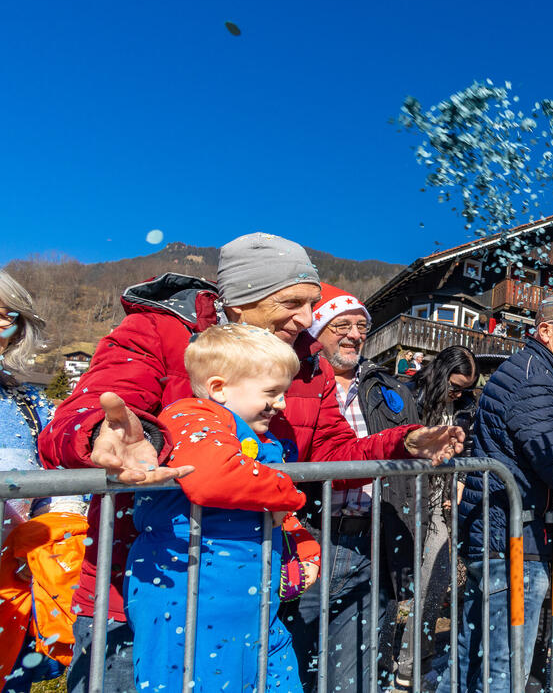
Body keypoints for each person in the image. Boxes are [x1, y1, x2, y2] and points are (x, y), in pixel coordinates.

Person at [38, 233, 462, 693]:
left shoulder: (306, 365)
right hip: (143, 588)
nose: (307, 318)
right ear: (241, 300)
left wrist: (405, 441)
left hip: (251, 590)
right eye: (293, 303)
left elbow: (331, 453)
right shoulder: (159, 333)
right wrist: (105, 432)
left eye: (312, 303)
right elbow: (77, 418)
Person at [438, 293, 553, 693]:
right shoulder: (534, 382)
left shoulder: (532, 374)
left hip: (500, 535)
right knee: (502, 668)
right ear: (544, 331)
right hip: (512, 542)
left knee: (470, 656)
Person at [125, 324, 318, 692]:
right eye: (272, 392)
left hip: (250, 605)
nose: (282, 404)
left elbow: (261, 499)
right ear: (219, 388)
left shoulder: (258, 435)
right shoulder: (190, 417)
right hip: (187, 602)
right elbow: (212, 477)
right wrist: (291, 496)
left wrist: (294, 536)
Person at [283, 282, 422, 691]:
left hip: (370, 541)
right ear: (316, 328)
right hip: (309, 539)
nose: (355, 334)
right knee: (297, 662)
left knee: (352, 674)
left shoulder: (386, 388)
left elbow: (399, 462)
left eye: (362, 326)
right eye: (342, 324)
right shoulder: (291, 381)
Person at [0, 271, 87, 691]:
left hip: (13, 582)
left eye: (3, 316)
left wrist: (47, 544)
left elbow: (59, 484)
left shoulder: (28, 402)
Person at [397, 344, 479, 689]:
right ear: (441, 372)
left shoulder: (462, 407)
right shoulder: (409, 396)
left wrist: (455, 485)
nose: (457, 393)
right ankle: (389, 657)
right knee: (396, 589)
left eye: (463, 389)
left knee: (433, 584)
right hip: (405, 501)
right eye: (454, 386)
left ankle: (414, 663)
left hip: (439, 506)